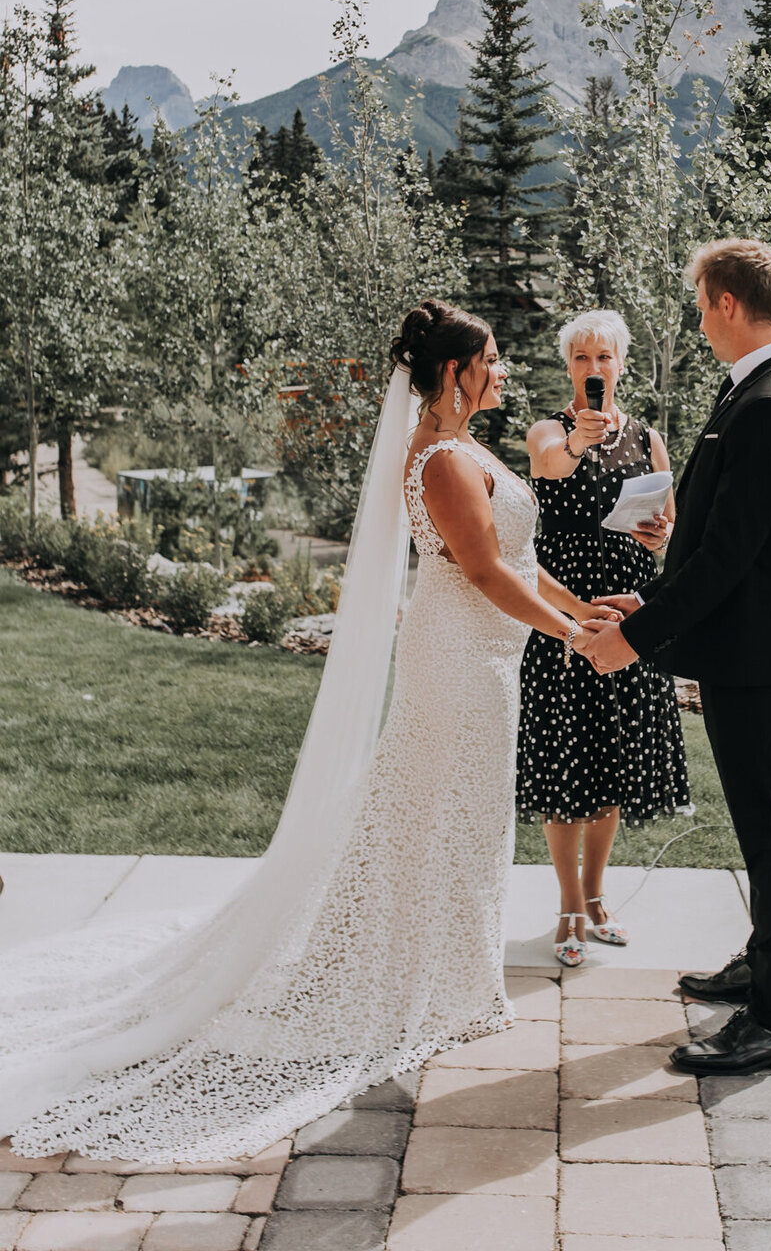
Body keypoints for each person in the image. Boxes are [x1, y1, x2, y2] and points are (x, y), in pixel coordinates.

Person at [0, 300, 613, 1162]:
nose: (505, 370)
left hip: (489, 658)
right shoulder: (440, 458)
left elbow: (516, 562)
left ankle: (444, 976)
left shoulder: (472, 447)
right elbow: (478, 573)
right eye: (494, 358)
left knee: (463, 814)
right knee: (436, 809)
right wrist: (577, 638)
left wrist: (585, 606)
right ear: (453, 373)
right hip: (457, 658)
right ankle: (424, 982)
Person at [585, 239, 771, 1076]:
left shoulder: (766, 403)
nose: (696, 319)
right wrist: (655, 581)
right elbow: (726, 543)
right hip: (739, 650)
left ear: (726, 303)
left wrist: (633, 638)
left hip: (755, 655)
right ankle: (764, 964)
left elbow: (731, 565)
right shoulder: (757, 393)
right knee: (762, 827)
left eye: (698, 304)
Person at [519, 309, 690, 965]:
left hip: (627, 613)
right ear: (569, 366)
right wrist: (578, 443)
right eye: (583, 358)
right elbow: (551, 467)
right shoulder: (547, 433)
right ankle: (565, 905)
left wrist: (662, 534)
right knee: (565, 764)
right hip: (566, 612)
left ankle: (594, 896)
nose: (595, 368)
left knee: (611, 766)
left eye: (605, 357)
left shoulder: (648, 440)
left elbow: (668, 523)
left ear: (621, 364)